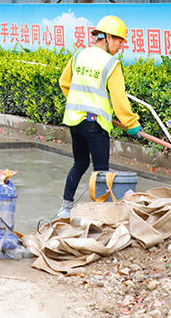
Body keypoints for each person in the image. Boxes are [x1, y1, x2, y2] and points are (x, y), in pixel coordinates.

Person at [57, 15, 141, 218]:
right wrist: (131, 123)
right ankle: (101, 214)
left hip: (75, 122)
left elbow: (64, 82)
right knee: (102, 170)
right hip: (95, 126)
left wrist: (82, 104)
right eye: (120, 40)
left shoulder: (79, 55)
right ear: (108, 38)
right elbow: (119, 99)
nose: (121, 45)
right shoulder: (111, 63)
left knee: (80, 164)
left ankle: (65, 208)